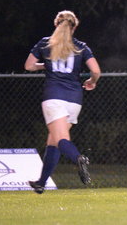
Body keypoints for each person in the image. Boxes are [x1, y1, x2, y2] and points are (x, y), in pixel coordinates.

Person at [24, 10, 101, 194]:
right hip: (74, 100)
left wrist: (45, 65)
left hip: (54, 98)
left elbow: (28, 66)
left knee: (60, 139)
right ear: (74, 27)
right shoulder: (81, 46)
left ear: (56, 24)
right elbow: (96, 71)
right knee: (53, 141)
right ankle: (41, 183)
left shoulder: (45, 43)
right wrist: (92, 82)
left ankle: (78, 158)